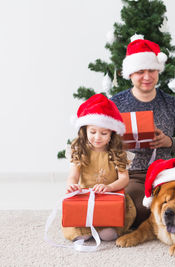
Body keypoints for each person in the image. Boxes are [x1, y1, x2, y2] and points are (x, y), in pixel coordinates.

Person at [111, 35, 175, 228]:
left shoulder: (171, 104)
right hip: (130, 174)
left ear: (158, 71)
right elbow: (97, 143)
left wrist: (169, 142)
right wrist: (119, 143)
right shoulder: (116, 104)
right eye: (140, 71)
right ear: (130, 74)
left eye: (151, 70)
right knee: (131, 205)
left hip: (165, 174)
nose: (147, 76)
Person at [63, 94, 136, 242]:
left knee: (107, 235)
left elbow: (124, 178)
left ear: (111, 134)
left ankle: (105, 226)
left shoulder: (117, 152)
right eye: (93, 132)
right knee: (80, 235)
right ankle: (88, 227)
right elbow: (73, 176)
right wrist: (72, 186)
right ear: (85, 130)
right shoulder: (80, 150)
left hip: (109, 197)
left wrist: (109, 187)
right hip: (85, 199)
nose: (97, 137)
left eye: (104, 133)